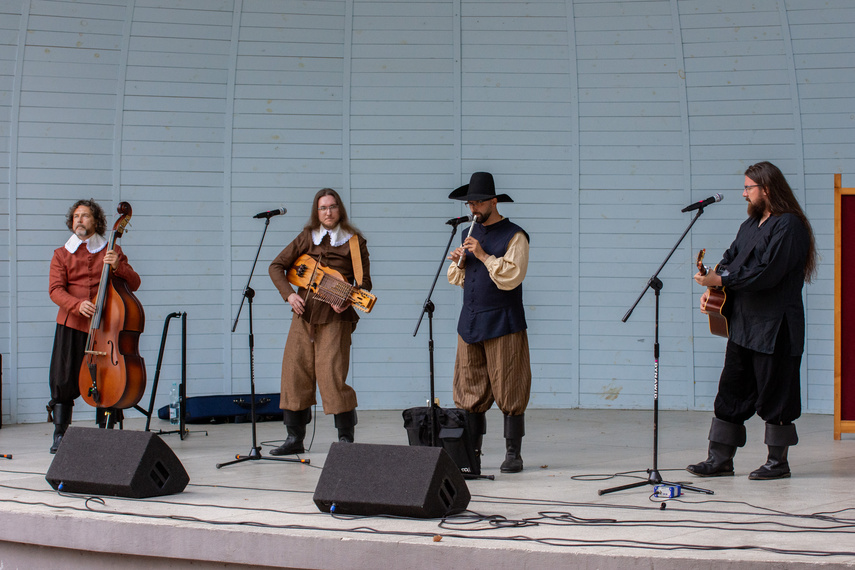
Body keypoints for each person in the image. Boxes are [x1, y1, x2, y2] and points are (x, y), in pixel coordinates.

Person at [688, 161, 817, 480]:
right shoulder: (751, 225)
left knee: (777, 395)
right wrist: (713, 282)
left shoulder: (790, 226)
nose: (744, 193)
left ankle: (778, 462)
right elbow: (729, 260)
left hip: (776, 328)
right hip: (744, 324)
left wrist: (722, 280)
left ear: (767, 189)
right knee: (731, 391)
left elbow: (766, 274)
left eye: (749, 187)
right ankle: (719, 459)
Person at [268, 188, 371, 455]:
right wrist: (290, 296)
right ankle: (294, 438)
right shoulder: (307, 237)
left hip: (335, 319)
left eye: (333, 207)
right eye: (323, 208)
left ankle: (345, 439)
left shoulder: (354, 242)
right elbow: (276, 266)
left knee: (332, 376)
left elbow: (364, 283)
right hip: (303, 317)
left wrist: (347, 299)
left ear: (340, 210)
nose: (328, 212)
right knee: (294, 373)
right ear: (317, 211)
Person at [447, 172, 532, 474]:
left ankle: (513, 454)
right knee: (470, 388)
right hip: (470, 322)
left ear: (494, 201)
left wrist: (482, 255)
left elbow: (511, 276)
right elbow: (463, 280)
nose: (474, 208)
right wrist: (460, 260)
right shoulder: (466, 234)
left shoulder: (515, 235)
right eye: (470, 203)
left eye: (479, 202)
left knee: (510, 385)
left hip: (503, 322)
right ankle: (472, 453)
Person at [47, 199, 141, 453]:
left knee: (106, 375)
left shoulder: (112, 249)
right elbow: (55, 290)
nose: (79, 220)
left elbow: (135, 282)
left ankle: (106, 431)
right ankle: (60, 434)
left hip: (106, 326)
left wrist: (118, 266)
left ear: (96, 221)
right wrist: (77, 305)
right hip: (72, 322)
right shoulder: (61, 254)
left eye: (85, 216)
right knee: (63, 376)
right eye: (76, 216)